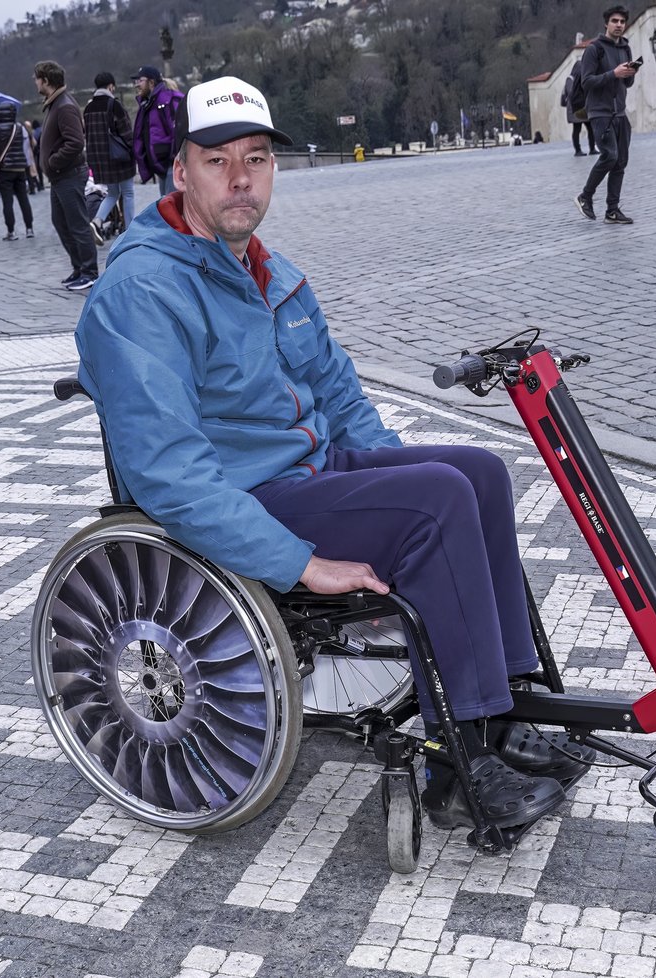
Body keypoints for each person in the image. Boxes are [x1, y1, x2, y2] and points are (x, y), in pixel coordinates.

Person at [74, 75, 596, 832]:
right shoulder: (141, 292)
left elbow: (343, 397)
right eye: (217, 160)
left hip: (312, 471)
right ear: (180, 170)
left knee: (474, 476)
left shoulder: (271, 272)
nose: (241, 177)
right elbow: (170, 477)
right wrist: (302, 563)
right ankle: (459, 762)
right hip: (245, 499)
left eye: (256, 157)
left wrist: (399, 477)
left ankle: (505, 704)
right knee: (436, 504)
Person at [34, 60, 100, 290]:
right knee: (61, 222)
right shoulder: (55, 104)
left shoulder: (64, 106)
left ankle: (90, 271)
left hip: (69, 174)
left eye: (37, 79)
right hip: (60, 176)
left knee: (77, 224)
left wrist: (53, 162)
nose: (35, 83)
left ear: (46, 80)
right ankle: (79, 267)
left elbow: (75, 142)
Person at [574, 5, 638, 224]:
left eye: (622, 22)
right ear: (606, 24)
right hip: (600, 113)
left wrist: (629, 74)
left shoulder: (626, 48)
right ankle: (585, 196)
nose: (619, 25)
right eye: (615, 21)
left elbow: (627, 83)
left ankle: (612, 211)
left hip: (620, 112)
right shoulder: (594, 49)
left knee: (620, 161)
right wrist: (613, 73)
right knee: (609, 155)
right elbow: (587, 82)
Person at [83, 72, 137, 239]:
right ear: (110, 86)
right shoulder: (114, 104)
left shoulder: (88, 108)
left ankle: (97, 221)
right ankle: (130, 231)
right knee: (127, 193)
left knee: (113, 193)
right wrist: (134, 150)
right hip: (119, 157)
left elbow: (88, 135)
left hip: (101, 159)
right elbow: (126, 132)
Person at [131, 66, 184, 196]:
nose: (137, 85)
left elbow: (178, 130)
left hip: (172, 162)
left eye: (140, 80)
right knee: (166, 204)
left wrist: (174, 157)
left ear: (151, 82)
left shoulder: (168, 100)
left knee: (171, 205)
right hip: (161, 165)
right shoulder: (147, 104)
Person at [0, 102, 34, 241]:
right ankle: (29, 228)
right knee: (24, 199)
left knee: (7, 202)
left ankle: (11, 232)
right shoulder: (19, 127)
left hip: (5, 169)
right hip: (20, 167)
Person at [562, 59, 596, 156]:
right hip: (574, 108)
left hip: (583, 107)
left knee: (590, 128)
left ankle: (592, 148)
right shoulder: (570, 79)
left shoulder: (580, 78)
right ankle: (578, 150)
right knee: (577, 129)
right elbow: (572, 94)